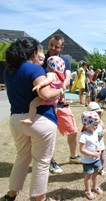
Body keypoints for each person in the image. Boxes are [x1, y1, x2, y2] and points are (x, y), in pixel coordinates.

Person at [4, 37, 62, 201]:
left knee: (22, 157)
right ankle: (40, 199)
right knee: (42, 162)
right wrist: (61, 90)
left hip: (16, 120)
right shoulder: (35, 69)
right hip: (40, 120)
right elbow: (45, 94)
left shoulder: (9, 70)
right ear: (33, 52)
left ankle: (11, 194)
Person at [43, 34, 81, 174]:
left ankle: (73, 155)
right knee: (48, 135)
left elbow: (67, 79)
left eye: (56, 46)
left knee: (73, 130)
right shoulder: (42, 60)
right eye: (51, 45)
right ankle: (51, 162)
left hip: (62, 103)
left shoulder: (65, 61)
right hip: (46, 104)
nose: (53, 48)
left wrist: (61, 90)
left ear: (61, 47)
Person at [20, 56, 65, 124]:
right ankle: (56, 119)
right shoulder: (60, 77)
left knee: (33, 104)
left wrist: (40, 84)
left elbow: (47, 80)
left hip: (48, 99)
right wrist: (62, 98)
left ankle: (29, 118)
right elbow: (61, 89)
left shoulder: (51, 74)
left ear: (49, 66)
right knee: (55, 108)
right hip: (55, 99)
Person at [79, 111, 104, 200]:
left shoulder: (95, 132)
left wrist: (99, 149)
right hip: (88, 161)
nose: (96, 126)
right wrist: (93, 154)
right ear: (86, 124)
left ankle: (95, 186)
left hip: (96, 160)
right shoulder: (84, 136)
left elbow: (97, 143)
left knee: (95, 174)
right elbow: (81, 150)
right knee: (88, 177)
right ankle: (88, 191)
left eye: (97, 124)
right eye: (94, 124)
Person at [87, 102, 106, 176]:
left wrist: (102, 133)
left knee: (102, 158)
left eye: (99, 113)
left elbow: (104, 129)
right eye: (97, 113)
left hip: (101, 145)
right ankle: (93, 170)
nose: (98, 115)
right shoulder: (88, 124)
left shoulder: (101, 122)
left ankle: (101, 169)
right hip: (92, 145)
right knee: (94, 159)